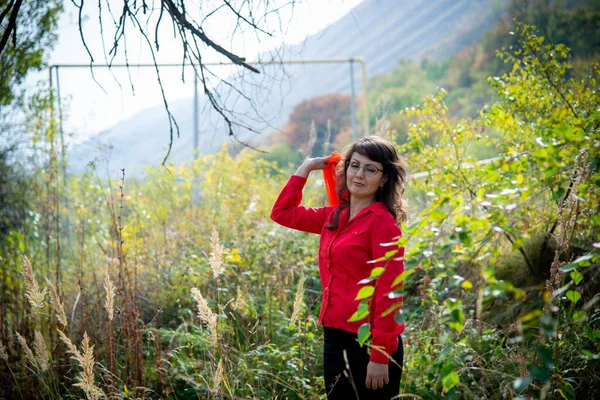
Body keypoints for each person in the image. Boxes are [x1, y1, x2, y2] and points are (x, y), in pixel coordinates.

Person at [270, 136, 408, 399]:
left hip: (369, 343)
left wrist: (380, 356)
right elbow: (281, 212)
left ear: (384, 178)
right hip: (335, 337)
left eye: (370, 169)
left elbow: (389, 293)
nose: (359, 174)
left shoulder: (383, 224)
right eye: (354, 165)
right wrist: (306, 168)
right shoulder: (333, 217)